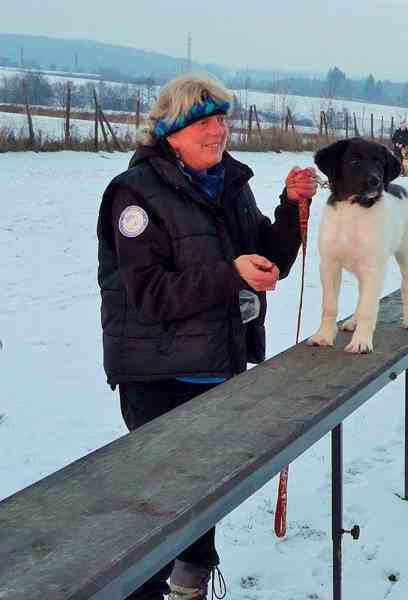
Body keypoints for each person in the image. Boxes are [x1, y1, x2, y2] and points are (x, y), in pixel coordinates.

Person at [96, 73, 318, 600]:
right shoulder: (136, 195)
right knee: (156, 508)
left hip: (220, 365)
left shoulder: (231, 183)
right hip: (157, 374)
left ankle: (191, 589)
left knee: (203, 495)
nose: (218, 132)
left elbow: (272, 258)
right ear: (172, 132)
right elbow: (150, 294)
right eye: (204, 123)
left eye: (222, 120)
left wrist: (290, 205)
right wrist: (232, 274)